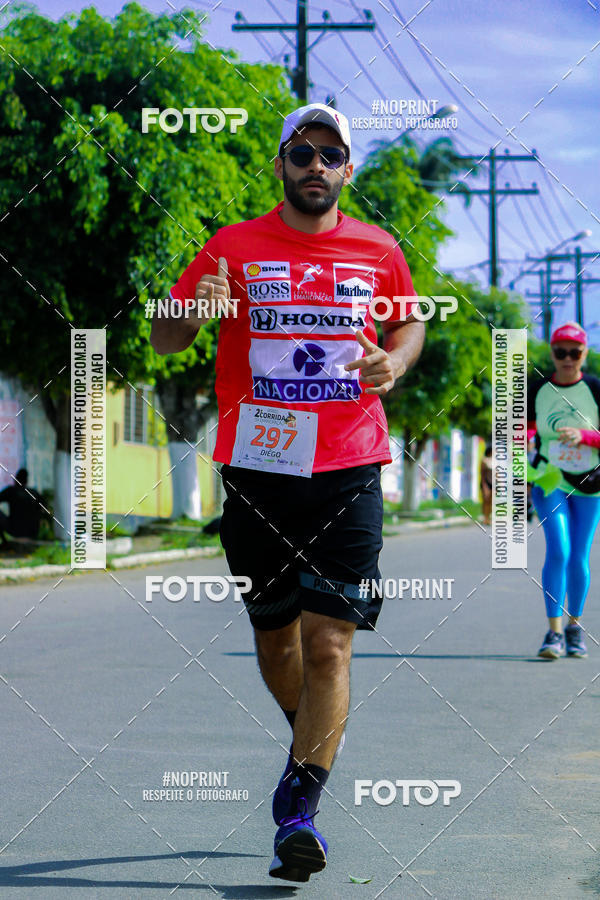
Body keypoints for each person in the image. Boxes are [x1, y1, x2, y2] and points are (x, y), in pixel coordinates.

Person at [150, 102, 424, 882]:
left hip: (348, 466)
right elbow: (166, 335)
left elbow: (409, 324)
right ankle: (312, 737)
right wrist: (190, 311)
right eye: (300, 151)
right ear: (281, 164)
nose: (314, 164)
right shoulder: (232, 248)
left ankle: (297, 809)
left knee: (328, 644)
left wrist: (395, 363)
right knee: (276, 641)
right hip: (258, 471)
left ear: (347, 170)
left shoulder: (378, 250)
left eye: (329, 153)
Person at [527, 322, 600, 660]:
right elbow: (516, 432)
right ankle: (553, 632)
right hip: (548, 480)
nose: (568, 359)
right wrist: (518, 467)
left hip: (590, 483)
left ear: (584, 354)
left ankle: (574, 627)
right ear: (552, 354)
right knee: (559, 549)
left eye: (575, 352)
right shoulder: (537, 389)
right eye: (561, 352)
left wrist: (585, 437)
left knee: (579, 555)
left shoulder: (595, 389)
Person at [0, 468, 45, 547]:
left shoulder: (11, 491)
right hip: (32, 531)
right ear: (26, 480)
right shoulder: (34, 493)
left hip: (15, 530)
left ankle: (5, 542)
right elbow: (44, 509)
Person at [480, 444, 493, 525]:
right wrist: (484, 486)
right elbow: (482, 474)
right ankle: (485, 518)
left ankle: (489, 517)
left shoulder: (494, 460)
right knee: (486, 501)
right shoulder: (484, 461)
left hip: (493, 483)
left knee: (491, 502)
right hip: (486, 483)